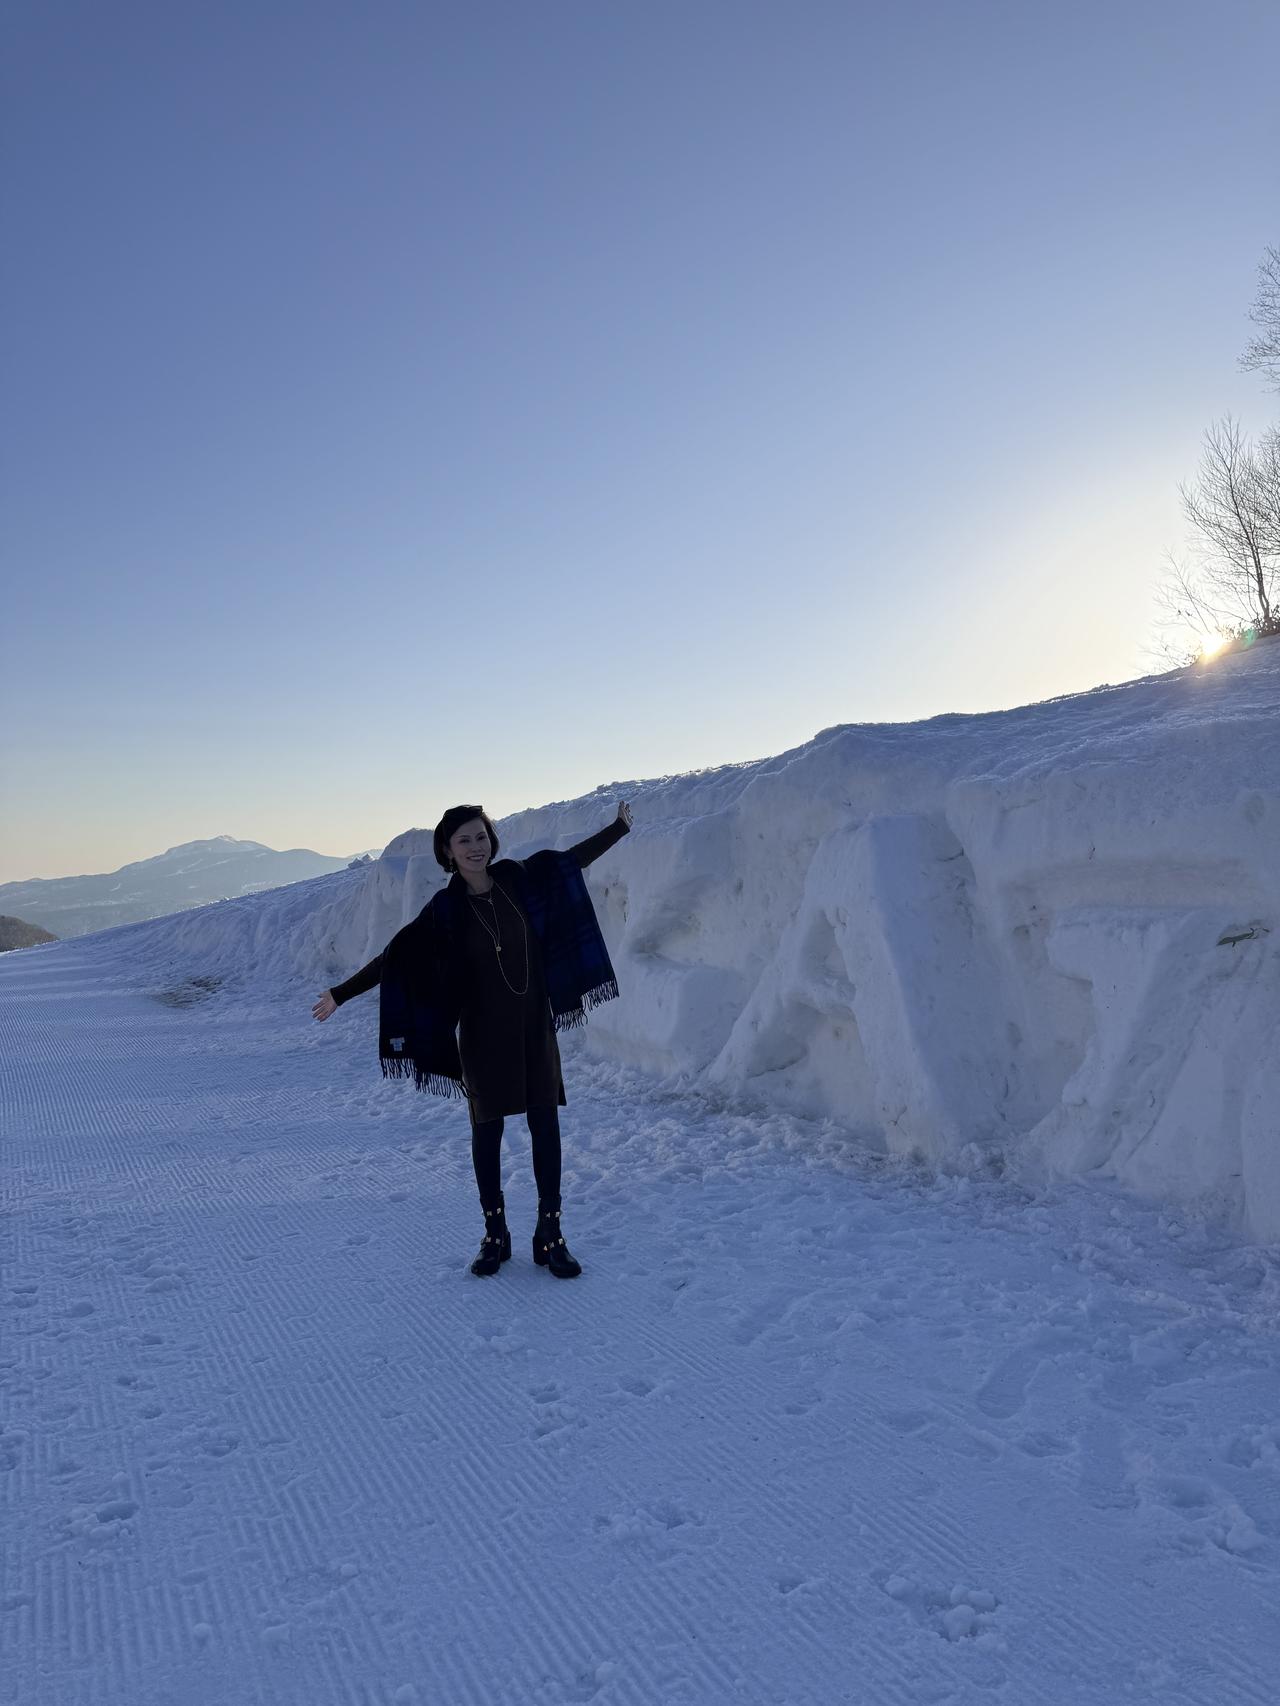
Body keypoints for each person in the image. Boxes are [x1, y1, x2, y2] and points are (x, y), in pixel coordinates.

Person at [312, 801, 632, 1279]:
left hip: (533, 1026)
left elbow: (569, 862)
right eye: (464, 840)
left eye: (481, 837)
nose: (476, 847)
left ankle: (551, 1233)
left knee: (546, 1125)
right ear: (448, 851)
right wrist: (341, 993)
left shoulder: (517, 879)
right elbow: (394, 957)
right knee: (489, 1131)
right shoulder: (445, 910)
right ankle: (494, 1233)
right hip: (482, 1034)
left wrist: (618, 829)